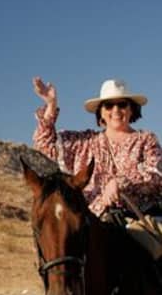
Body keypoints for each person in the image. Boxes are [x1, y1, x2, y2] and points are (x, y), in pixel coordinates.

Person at [32, 77, 162, 217]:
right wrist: (51, 104)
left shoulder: (147, 140)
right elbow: (44, 145)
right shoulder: (84, 142)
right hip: (94, 222)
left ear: (131, 109)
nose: (116, 110)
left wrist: (120, 183)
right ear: (101, 112)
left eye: (122, 104)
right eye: (109, 106)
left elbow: (156, 175)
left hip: (141, 218)